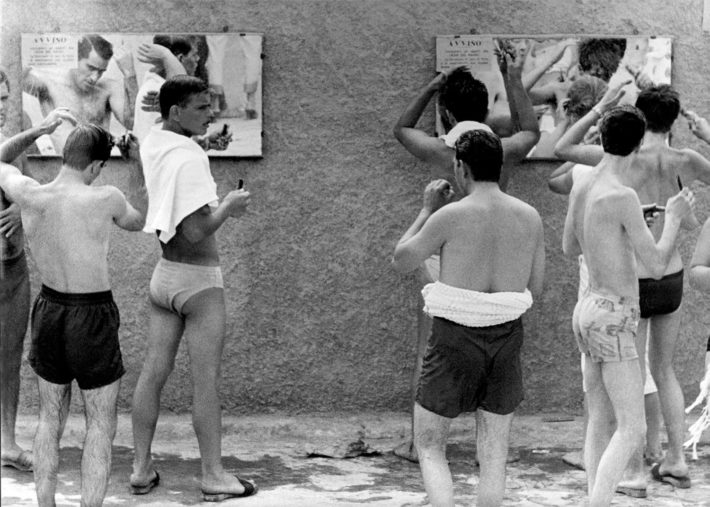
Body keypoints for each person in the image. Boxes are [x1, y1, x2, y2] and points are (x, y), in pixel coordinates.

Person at [556, 84, 710, 492]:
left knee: (610, 406)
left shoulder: (594, 175)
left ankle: (627, 478)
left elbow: (570, 243)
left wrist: (597, 110)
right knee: (655, 384)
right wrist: (676, 215)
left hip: (606, 298)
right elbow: (660, 259)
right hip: (656, 285)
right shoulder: (681, 162)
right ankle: (670, 460)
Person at [391, 47, 540, 463]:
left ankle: (419, 444)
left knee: (433, 347)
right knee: (494, 349)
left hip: (445, 249)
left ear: (448, 116)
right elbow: (531, 129)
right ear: (487, 109)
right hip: (498, 260)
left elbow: (402, 128)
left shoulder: (442, 150)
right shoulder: (503, 149)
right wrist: (511, 77)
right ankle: (486, 447)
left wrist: (432, 86)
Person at [0, 123, 147, 507]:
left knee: (50, 419)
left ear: (65, 156)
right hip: (92, 314)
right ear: (96, 167)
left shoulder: (30, 194)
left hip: (48, 311)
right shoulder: (107, 198)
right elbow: (141, 218)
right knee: (100, 424)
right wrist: (137, 164)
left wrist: (40, 129)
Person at [130, 75, 256, 502]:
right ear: (175, 113)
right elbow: (197, 231)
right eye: (201, 108)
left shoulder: (153, 141)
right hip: (199, 283)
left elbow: (164, 72)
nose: (210, 115)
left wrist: (167, 66)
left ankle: (141, 468)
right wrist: (229, 207)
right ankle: (213, 476)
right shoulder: (189, 156)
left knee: (152, 372)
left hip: (163, 278)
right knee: (206, 382)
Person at [0, 67, 78, 473]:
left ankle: (6, 444)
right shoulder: (14, 142)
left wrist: (17, 207)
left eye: (4, 99)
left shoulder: (15, 146)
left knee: (9, 356)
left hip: (11, 266)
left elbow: (27, 189)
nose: (0, 108)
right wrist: (41, 129)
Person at [23, 34, 138, 154]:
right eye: (90, 68)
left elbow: (132, 123)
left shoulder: (108, 89)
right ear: (74, 59)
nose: (94, 78)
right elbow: (14, 79)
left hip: (100, 166)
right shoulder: (49, 85)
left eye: (101, 72)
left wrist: (130, 73)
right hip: (65, 166)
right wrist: (37, 47)